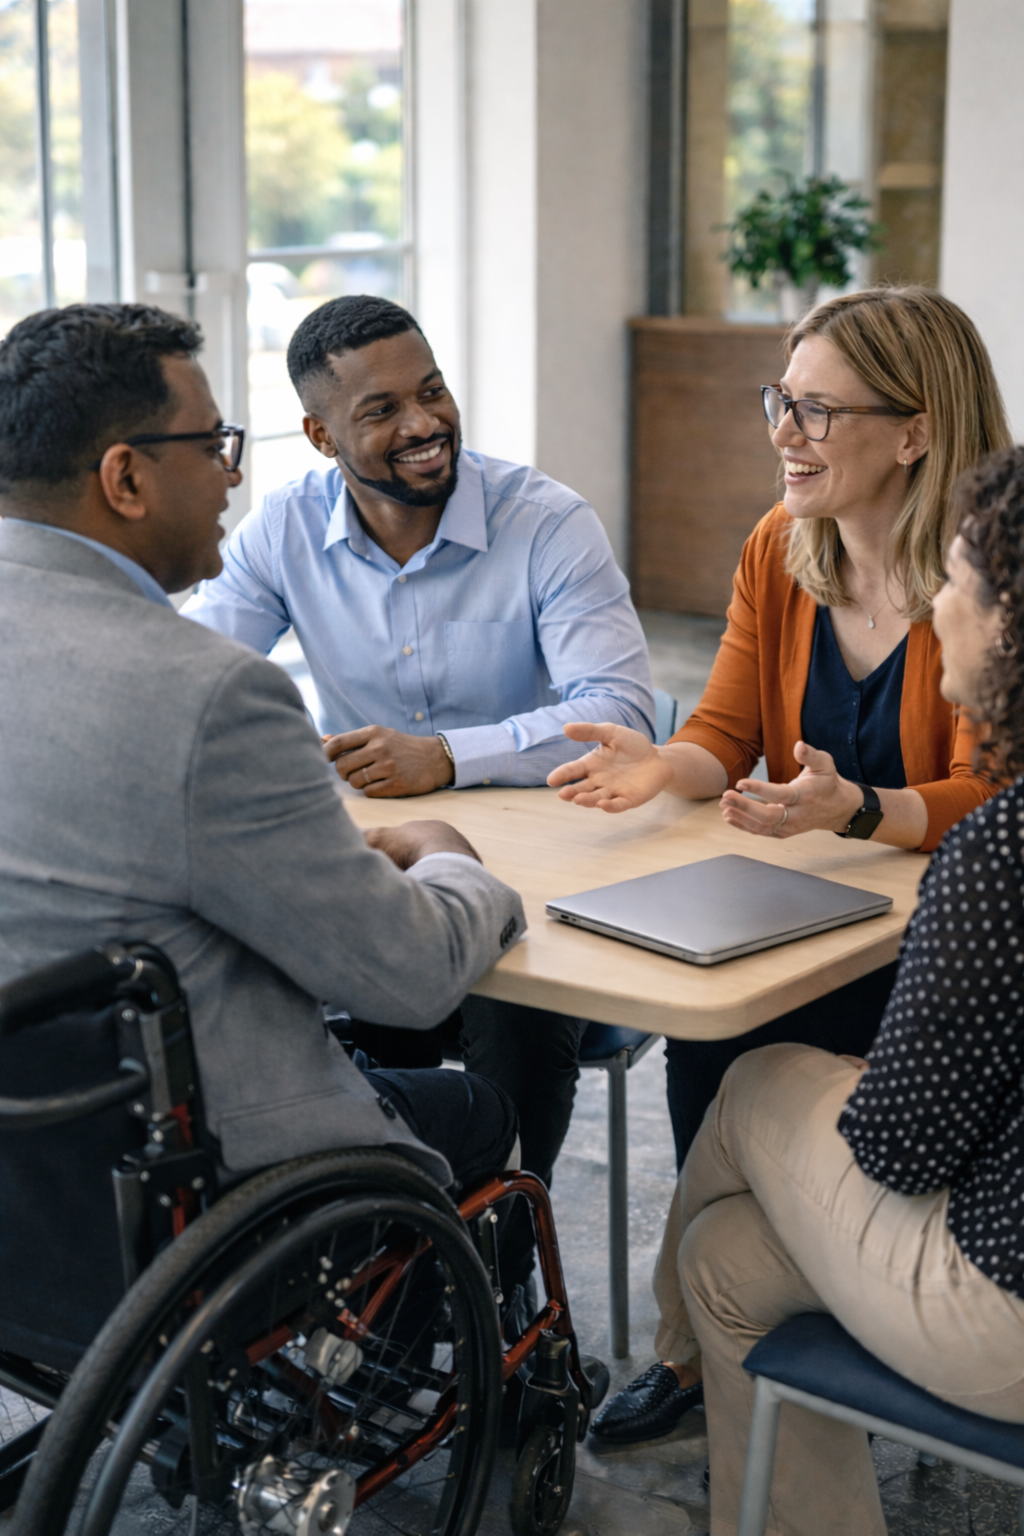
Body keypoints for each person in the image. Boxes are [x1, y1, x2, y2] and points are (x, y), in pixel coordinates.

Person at [183, 293, 655, 1298]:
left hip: (540, 880)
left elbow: (619, 714)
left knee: (513, 1022)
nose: (424, 425)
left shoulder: (544, 521)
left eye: (432, 391)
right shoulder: (284, 531)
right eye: (382, 410)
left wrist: (447, 756)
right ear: (319, 435)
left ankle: (490, 1285)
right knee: (329, 1009)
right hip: (382, 869)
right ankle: (384, 1276)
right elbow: (190, 675)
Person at [0, 301, 526, 1201]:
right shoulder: (210, 693)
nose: (231, 480)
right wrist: (452, 862)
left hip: (34, 1179)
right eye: (212, 447)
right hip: (199, 1168)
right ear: (125, 480)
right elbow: (409, 976)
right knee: (477, 1109)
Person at [595, 443, 1024, 1535]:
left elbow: (903, 1151)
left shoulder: (998, 853)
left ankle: (672, 1352)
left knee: (756, 1084)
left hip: (1003, 1301)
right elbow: (721, 732)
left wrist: (846, 1083)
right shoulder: (778, 553)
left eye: (963, 586)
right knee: (721, 1260)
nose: (938, 602)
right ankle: (693, 1346)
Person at [550, 286, 1012, 1203]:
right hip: (805, 909)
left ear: (913, 434)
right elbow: (725, 732)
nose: (784, 433)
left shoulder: (983, 577)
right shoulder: (781, 546)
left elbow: (991, 793)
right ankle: (699, 1326)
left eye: (819, 411)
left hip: (933, 948)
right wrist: (662, 766)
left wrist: (861, 811)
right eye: (782, 400)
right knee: (708, 1032)